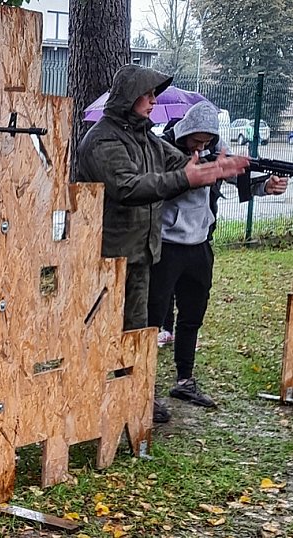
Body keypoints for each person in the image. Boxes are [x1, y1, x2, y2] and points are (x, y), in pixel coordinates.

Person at [75, 64, 248, 423]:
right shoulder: (103, 139)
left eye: (155, 93)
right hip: (105, 254)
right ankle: (92, 397)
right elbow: (127, 187)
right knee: (98, 329)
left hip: (141, 253)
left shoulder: (145, 138)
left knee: (138, 330)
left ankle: (136, 396)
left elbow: (182, 164)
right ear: (129, 96)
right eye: (148, 93)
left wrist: (218, 169)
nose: (153, 100)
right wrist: (186, 176)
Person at [148, 101, 288, 413]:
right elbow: (160, 186)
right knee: (152, 317)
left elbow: (238, 180)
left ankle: (184, 380)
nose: (201, 145)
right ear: (185, 132)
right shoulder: (165, 150)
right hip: (166, 245)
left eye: (207, 140)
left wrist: (267, 185)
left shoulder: (215, 149)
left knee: (192, 315)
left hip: (200, 245)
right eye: (196, 140)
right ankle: (144, 388)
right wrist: (201, 173)